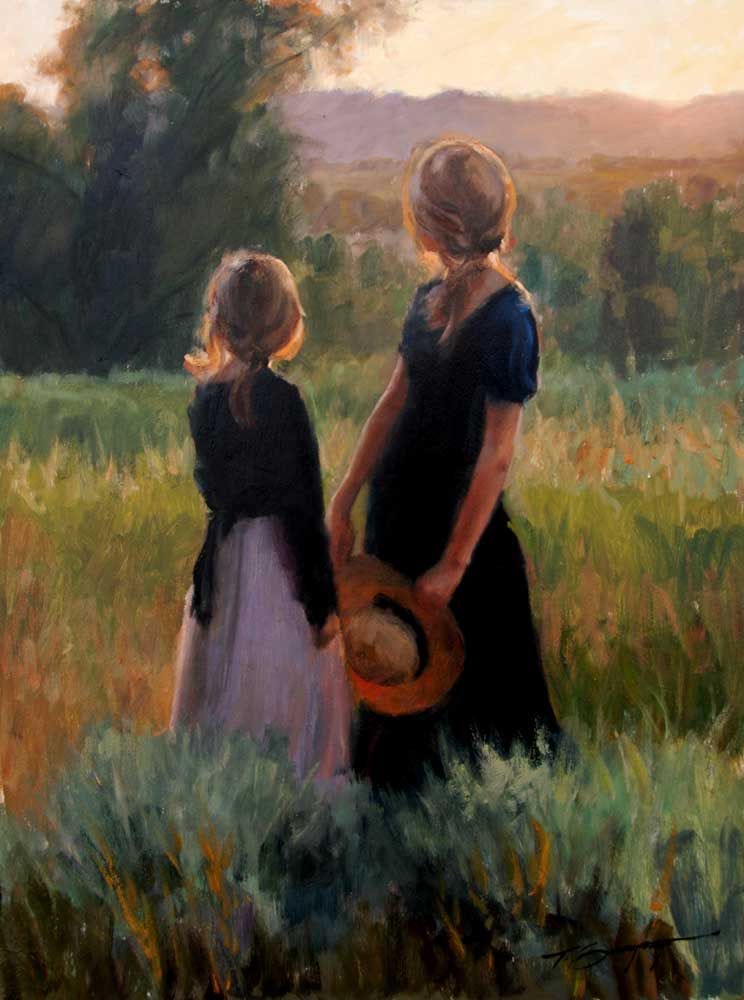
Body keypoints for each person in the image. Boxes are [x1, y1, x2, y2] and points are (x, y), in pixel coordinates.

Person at [328, 138, 561, 790]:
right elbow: (390, 404)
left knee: (479, 681)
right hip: (400, 520)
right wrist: (343, 499)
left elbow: (497, 454)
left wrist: (456, 562)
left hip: (460, 530)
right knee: (397, 663)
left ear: (431, 227)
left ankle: (485, 810)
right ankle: (394, 801)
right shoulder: (426, 303)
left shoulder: (510, 317)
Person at [170, 250, 351, 783]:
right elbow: (303, 513)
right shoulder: (285, 402)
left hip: (225, 561)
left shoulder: (205, 400)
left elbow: (212, 489)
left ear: (221, 323)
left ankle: (227, 805)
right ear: (284, 325)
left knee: (224, 693)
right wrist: (322, 606)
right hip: (279, 568)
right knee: (280, 690)